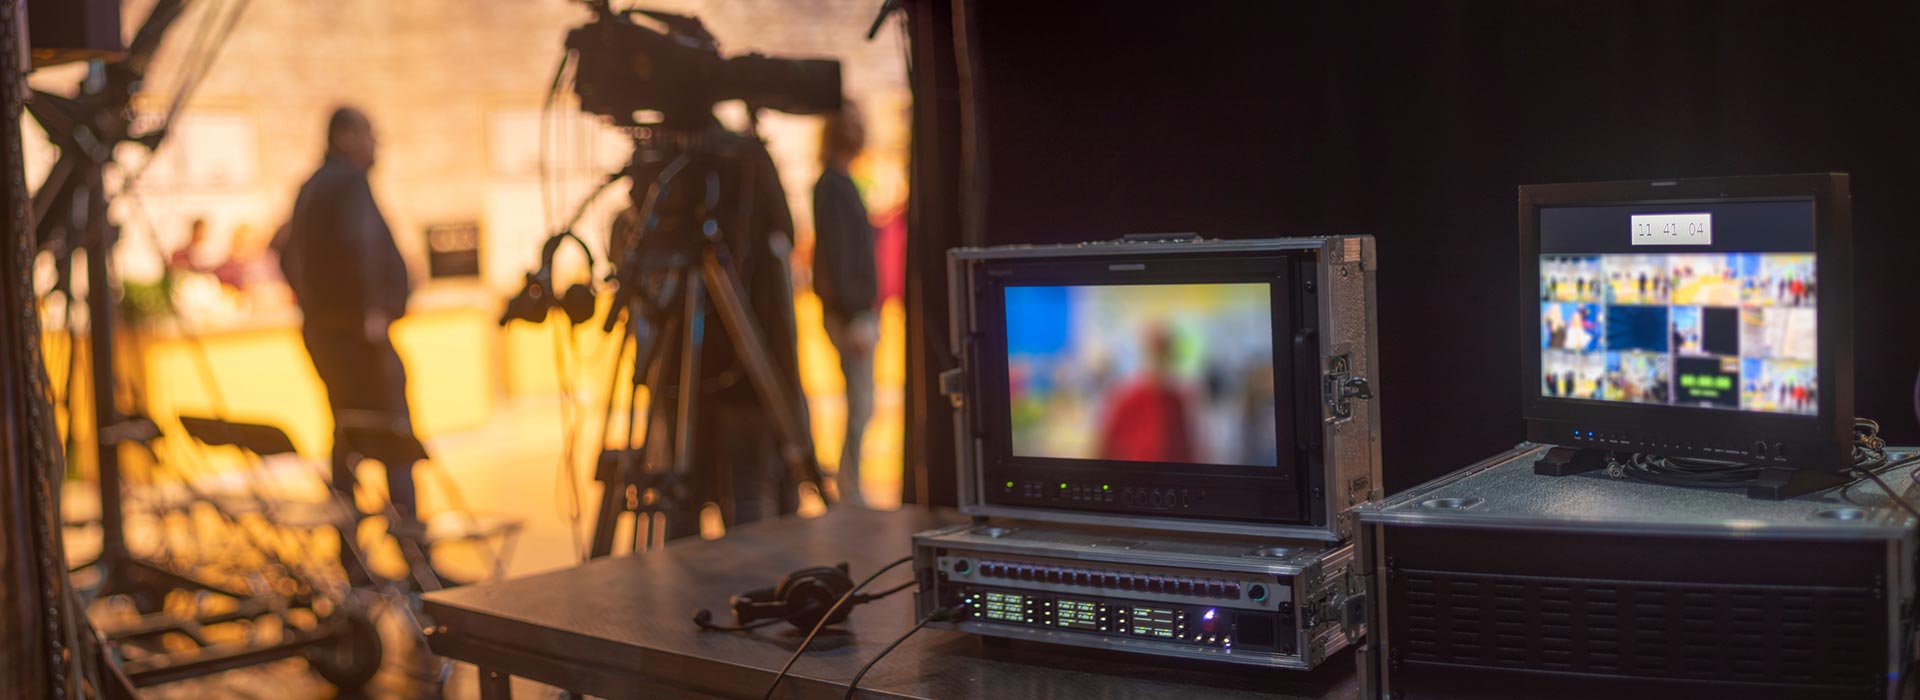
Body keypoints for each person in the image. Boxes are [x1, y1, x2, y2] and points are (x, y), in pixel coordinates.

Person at [280, 107, 435, 585]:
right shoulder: (347, 183)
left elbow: (281, 250)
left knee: (347, 438)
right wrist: (370, 312)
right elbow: (359, 247)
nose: (377, 144)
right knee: (394, 439)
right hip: (358, 341)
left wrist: (315, 305)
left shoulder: (311, 186)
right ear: (346, 137)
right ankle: (417, 564)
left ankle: (352, 558)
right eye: (370, 134)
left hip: (328, 336)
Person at [812, 100, 878, 507]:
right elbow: (836, 256)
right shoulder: (831, 185)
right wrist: (855, 315)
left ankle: (851, 483)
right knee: (859, 403)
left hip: (857, 311)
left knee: (862, 404)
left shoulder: (842, 182)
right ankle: (850, 489)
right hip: (850, 314)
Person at [1098, 324, 1196, 463]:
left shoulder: (1176, 400)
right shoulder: (1128, 397)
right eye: (1155, 353)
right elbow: (1106, 445)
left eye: (1164, 353)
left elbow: (1187, 447)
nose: (1159, 359)